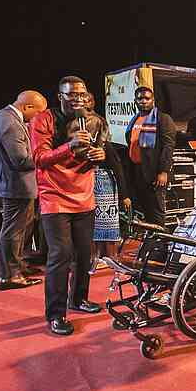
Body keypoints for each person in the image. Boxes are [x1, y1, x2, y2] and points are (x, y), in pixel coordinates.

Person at [30, 76, 105, 336]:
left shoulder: (91, 120)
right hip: (55, 197)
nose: (78, 99)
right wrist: (69, 146)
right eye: (72, 95)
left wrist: (99, 155)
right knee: (60, 255)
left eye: (82, 94)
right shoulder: (44, 120)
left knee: (85, 254)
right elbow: (39, 159)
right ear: (60, 97)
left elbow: (96, 153)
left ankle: (79, 299)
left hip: (83, 195)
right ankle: (56, 314)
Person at [0, 90, 47, 289]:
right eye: (38, 113)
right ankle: (10, 275)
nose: (38, 118)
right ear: (27, 107)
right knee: (14, 230)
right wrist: (49, 157)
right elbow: (21, 160)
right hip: (15, 185)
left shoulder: (1, 116)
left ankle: (18, 266)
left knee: (22, 227)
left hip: (15, 184)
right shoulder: (9, 123)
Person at [84, 92, 130, 271]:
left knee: (107, 221)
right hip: (85, 182)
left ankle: (109, 257)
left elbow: (117, 165)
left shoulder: (104, 144)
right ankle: (94, 258)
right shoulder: (76, 133)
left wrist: (124, 195)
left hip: (104, 182)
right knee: (90, 223)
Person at [123, 86, 176, 227]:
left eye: (147, 98)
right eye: (140, 98)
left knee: (156, 213)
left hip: (154, 173)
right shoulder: (135, 119)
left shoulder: (163, 119)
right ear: (135, 101)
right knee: (144, 212)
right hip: (138, 171)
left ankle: (160, 246)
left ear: (153, 100)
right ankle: (150, 244)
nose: (143, 101)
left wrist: (163, 171)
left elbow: (168, 147)